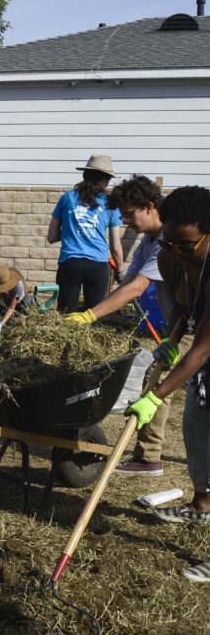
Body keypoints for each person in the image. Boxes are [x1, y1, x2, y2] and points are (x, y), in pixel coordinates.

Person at [66, 176, 182, 477]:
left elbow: (136, 290)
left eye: (130, 214)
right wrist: (96, 310)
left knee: (193, 395)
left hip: (197, 324)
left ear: (150, 206)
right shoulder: (148, 243)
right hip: (179, 324)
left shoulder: (167, 243)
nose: (127, 222)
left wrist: (90, 316)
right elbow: (127, 282)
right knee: (153, 380)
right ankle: (148, 458)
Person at [125, 185, 210, 582]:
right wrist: (171, 343)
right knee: (197, 434)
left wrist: (155, 397)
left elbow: (205, 346)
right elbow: (187, 314)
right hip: (202, 356)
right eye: (169, 242)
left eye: (185, 244)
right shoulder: (171, 258)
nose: (174, 251)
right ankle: (201, 506)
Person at [47, 154, 123, 313]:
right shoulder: (110, 204)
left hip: (70, 264)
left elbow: (52, 237)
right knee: (94, 316)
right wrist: (120, 270)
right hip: (98, 266)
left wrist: (72, 231)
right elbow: (115, 246)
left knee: (66, 315)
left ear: (85, 175)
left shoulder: (67, 198)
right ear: (104, 180)